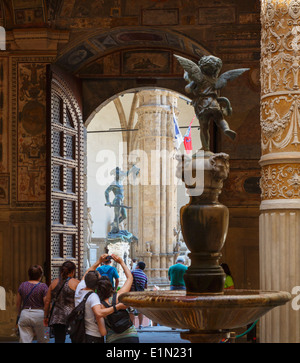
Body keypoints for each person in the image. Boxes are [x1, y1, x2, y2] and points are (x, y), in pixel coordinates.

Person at [74, 254, 127, 343]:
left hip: (81, 333)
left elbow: (87, 272)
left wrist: (99, 261)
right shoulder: (93, 297)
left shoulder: (80, 288)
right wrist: (117, 307)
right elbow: (99, 313)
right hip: (93, 335)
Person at [97, 254, 139, 343]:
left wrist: (98, 262)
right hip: (131, 336)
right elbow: (130, 278)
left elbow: (103, 332)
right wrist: (121, 262)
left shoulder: (99, 306)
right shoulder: (119, 295)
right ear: (110, 286)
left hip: (113, 339)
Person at [44, 261, 80, 343]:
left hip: (57, 317)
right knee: (75, 339)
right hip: (71, 316)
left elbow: (47, 301)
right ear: (73, 271)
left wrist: (46, 316)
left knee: (59, 340)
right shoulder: (76, 283)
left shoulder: (54, 283)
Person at [16, 265, 49, 343]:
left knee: (25, 341)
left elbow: (18, 303)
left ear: (29, 274)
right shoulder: (43, 286)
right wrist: (47, 316)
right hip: (40, 315)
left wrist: (19, 315)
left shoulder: (22, 285)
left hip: (25, 314)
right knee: (44, 338)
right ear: (41, 275)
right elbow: (46, 302)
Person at [130, 261, 148, 329]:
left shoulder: (133, 273)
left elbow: (129, 281)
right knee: (140, 310)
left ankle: (132, 326)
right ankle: (140, 325)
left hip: (132, 294)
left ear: (137, 266)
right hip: (140, 294)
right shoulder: (144, 275)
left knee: (131, 310)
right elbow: (146, 287)